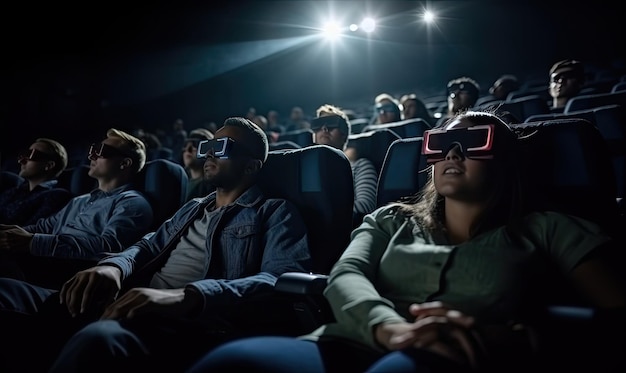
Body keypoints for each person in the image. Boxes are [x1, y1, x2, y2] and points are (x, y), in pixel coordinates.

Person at [185, 110, 626, 373]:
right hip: (351, 339)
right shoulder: (389, 219)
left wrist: (515, 337)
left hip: (459, 354)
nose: (452, 153)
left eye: (472, 142)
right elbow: (346, 275)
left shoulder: (549, 228)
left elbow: (613, 315)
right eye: (442, 144)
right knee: (234, 361)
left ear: (505, 160)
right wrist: (389, 327)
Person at [0, 117, 312, 372]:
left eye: (222, 147)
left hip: (189, 320)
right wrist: (113, 267)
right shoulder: (194, 207)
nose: (209, 154)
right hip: (129, 299)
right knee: (7, 290)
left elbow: (277, 279)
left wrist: (186, 296)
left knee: (98, 339)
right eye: (209, 146)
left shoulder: (275, 211)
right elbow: (148, 245)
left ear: (251, 166)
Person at [0, 128, 154, 285]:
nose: (92, 155)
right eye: (93, 150)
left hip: (72, 273)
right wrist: (7, 233)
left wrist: (33, 242)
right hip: (43, 261)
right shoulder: (79, 200)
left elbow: (110, 247)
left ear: (124, 163)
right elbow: (44, 226)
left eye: (101, 151)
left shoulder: (132, 202)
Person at [311, 104, 377, 223]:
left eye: (332, 124)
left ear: (344, 135)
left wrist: (322, 217)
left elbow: (366, 207)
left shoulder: (360, 166)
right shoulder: (307, 171)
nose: (325, 128)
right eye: (319, 125)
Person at [0, 138, 72, 226]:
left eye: (30, 155)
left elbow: (30, 230)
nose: (22, 161)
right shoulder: (15, 190)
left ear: (49, 165)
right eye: (24, 155)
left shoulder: (57, 196)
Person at [182, 128, 215, 202]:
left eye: (195, 144)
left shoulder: (212, 188)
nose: (188, 149)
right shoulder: (179, 180)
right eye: (186, 144)